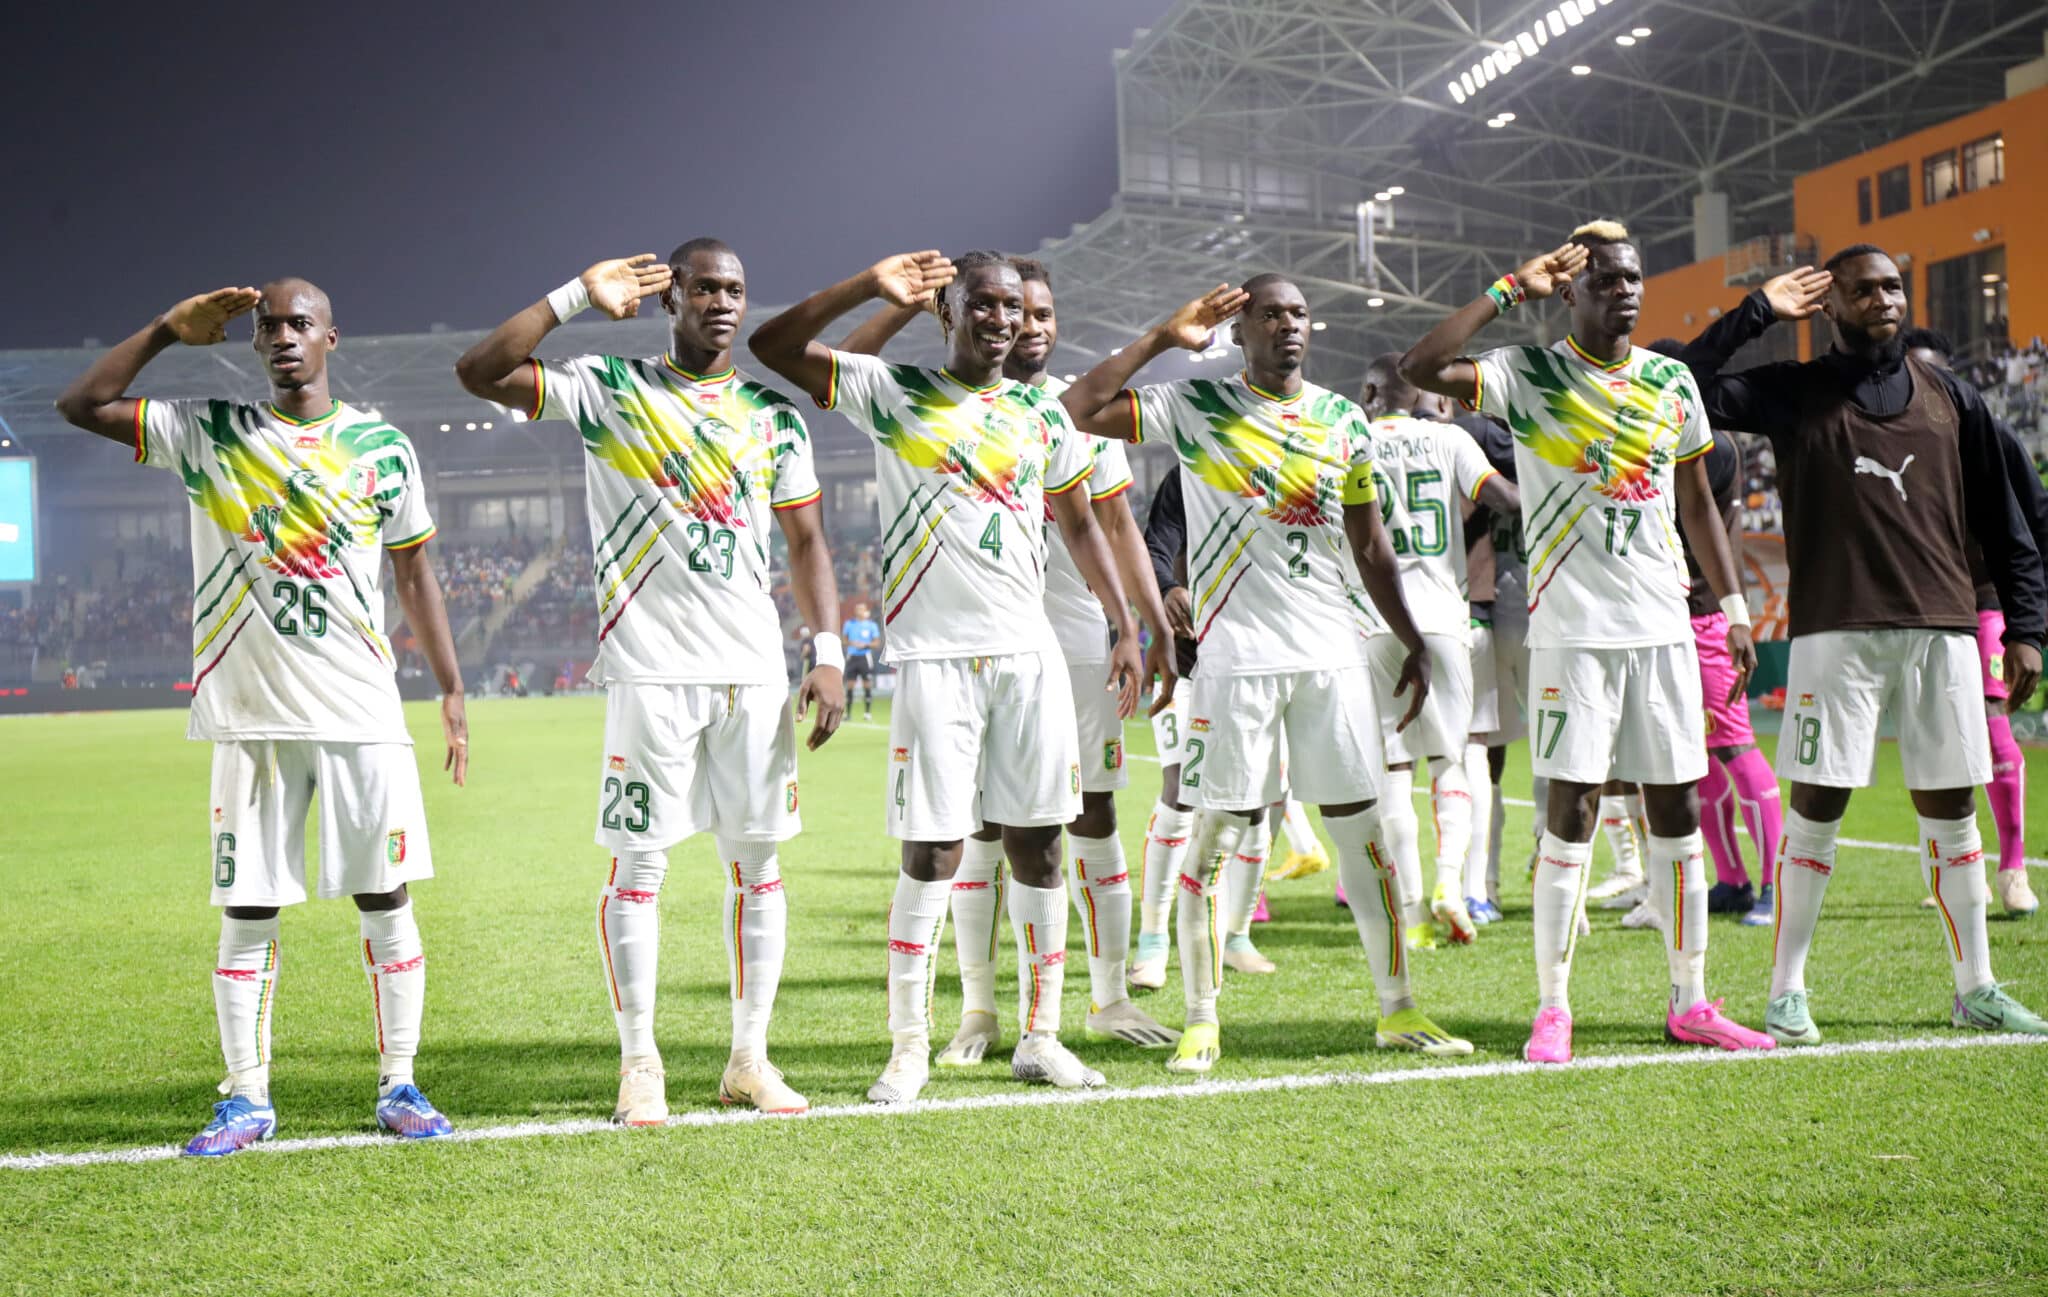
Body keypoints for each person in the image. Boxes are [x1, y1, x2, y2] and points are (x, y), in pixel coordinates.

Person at [56, 279, 470, 1155]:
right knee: (248, 906)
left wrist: (453, 689)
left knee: (384, 894)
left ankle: (400, 1081)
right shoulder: (211, 435)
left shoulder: (383, 448)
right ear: (253, 345)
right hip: (251, 720)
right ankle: (246, 1096)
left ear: (330, 337)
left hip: (361, 711)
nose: (283, 336)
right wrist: (169, 328)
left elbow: (415, 574)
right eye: (268, 326)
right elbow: (81, 402)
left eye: (300, 324)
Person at [749, 250, 1166, 1104]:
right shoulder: (894, 394)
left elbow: (1081, 525)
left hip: (1029, 657)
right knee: (934, 849)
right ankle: (909, 1047)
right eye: (985, 303)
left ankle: (1040, 1036)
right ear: (949, 311)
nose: (1005, 318)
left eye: (1014, 305)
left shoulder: (1044, 413)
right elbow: (775, 346)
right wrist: (870, 287)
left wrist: (1124, 623)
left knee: (1041, 846)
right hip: (935, 662)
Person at [455, 240, 846, 1120]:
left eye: (736, 289)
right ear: (671, 299)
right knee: (640, 869)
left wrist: (827, 650)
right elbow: (481, 371)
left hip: (751, 671)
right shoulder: (610, 391)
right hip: (651, 673)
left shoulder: (774, 416)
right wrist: (571, 297)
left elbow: (808, 543)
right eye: (704, 287)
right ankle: (642, 1063)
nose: (722, 302)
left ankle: (750, 1057)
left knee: (760, 866)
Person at [1064, 275, 1472, 1073]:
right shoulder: (1196, 408)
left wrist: (1412, 638)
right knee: (1213, 835)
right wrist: (1161, 337)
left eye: (1300, 314)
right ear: (1239, 330)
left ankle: (1398, 1008)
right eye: (1271, 314)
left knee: (1366, 831)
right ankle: (1201, 1017)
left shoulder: (1341, 419)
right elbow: (1076, 411)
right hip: (1234, 664)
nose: (1290, 326)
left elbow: (1370, 542)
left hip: (1330, 656)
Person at [1401, 219, 1775, 1063]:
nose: (1627, 291)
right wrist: (1507, 290)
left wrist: (1740, 612)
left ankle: (1691, 999)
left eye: (1634, 278)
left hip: (1664, 632)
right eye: (1606, 280)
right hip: (1571, 638)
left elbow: (1698, 506)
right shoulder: (1526, 374)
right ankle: (1553, 1006)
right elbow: (1420, 367)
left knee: (1676, 810)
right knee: (1569, 811)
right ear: (1570, 292)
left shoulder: (1670, 381)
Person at [1682, 244, 2047, 1043]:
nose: (1883, 300)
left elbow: (2006, 518)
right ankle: (1786, 990)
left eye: (1892, 287)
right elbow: (1683, 385)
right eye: (1863, 289)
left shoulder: (1954, 398)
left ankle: (1976, 985)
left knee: (1953, 812)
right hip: (1833, 631)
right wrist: (1754, 311)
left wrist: (2026, 626)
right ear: (1829, 304)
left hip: (1944, 627)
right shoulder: (1795, 393)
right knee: (1817, 807)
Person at [1357, 353, 1520, 949]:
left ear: (1371, 391)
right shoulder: (1448, 440)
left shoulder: (1347, 439)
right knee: (1452, 759)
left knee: (1393, 767)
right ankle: (1453, 881)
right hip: (1445, 618)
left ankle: (1411, 910)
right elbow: (1500, 496)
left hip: (1373, 621)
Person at [1900, 327, 2038, 919]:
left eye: (1933, 374)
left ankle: (2012, 869)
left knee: (1991, 721)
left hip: (1979, 600)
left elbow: (2035, 518)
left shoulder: (1993, 435)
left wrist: (2030, 623)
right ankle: (1958, 865)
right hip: (1913, 605)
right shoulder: (1888, 440)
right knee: (1933, 736)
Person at [841, 603, 881, 717]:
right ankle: (848, 713)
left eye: (862, 609)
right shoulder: (849, 624)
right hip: (852, 656)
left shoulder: (871, 625)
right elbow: (843, 640)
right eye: (858, 609)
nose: (860, 611)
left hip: (865, 657)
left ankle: (867, 712)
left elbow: (877, 643)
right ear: (855, 611)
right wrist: (852, 643)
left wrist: (865, 645)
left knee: (867, 684)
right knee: (850, 685)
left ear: (865, 611)